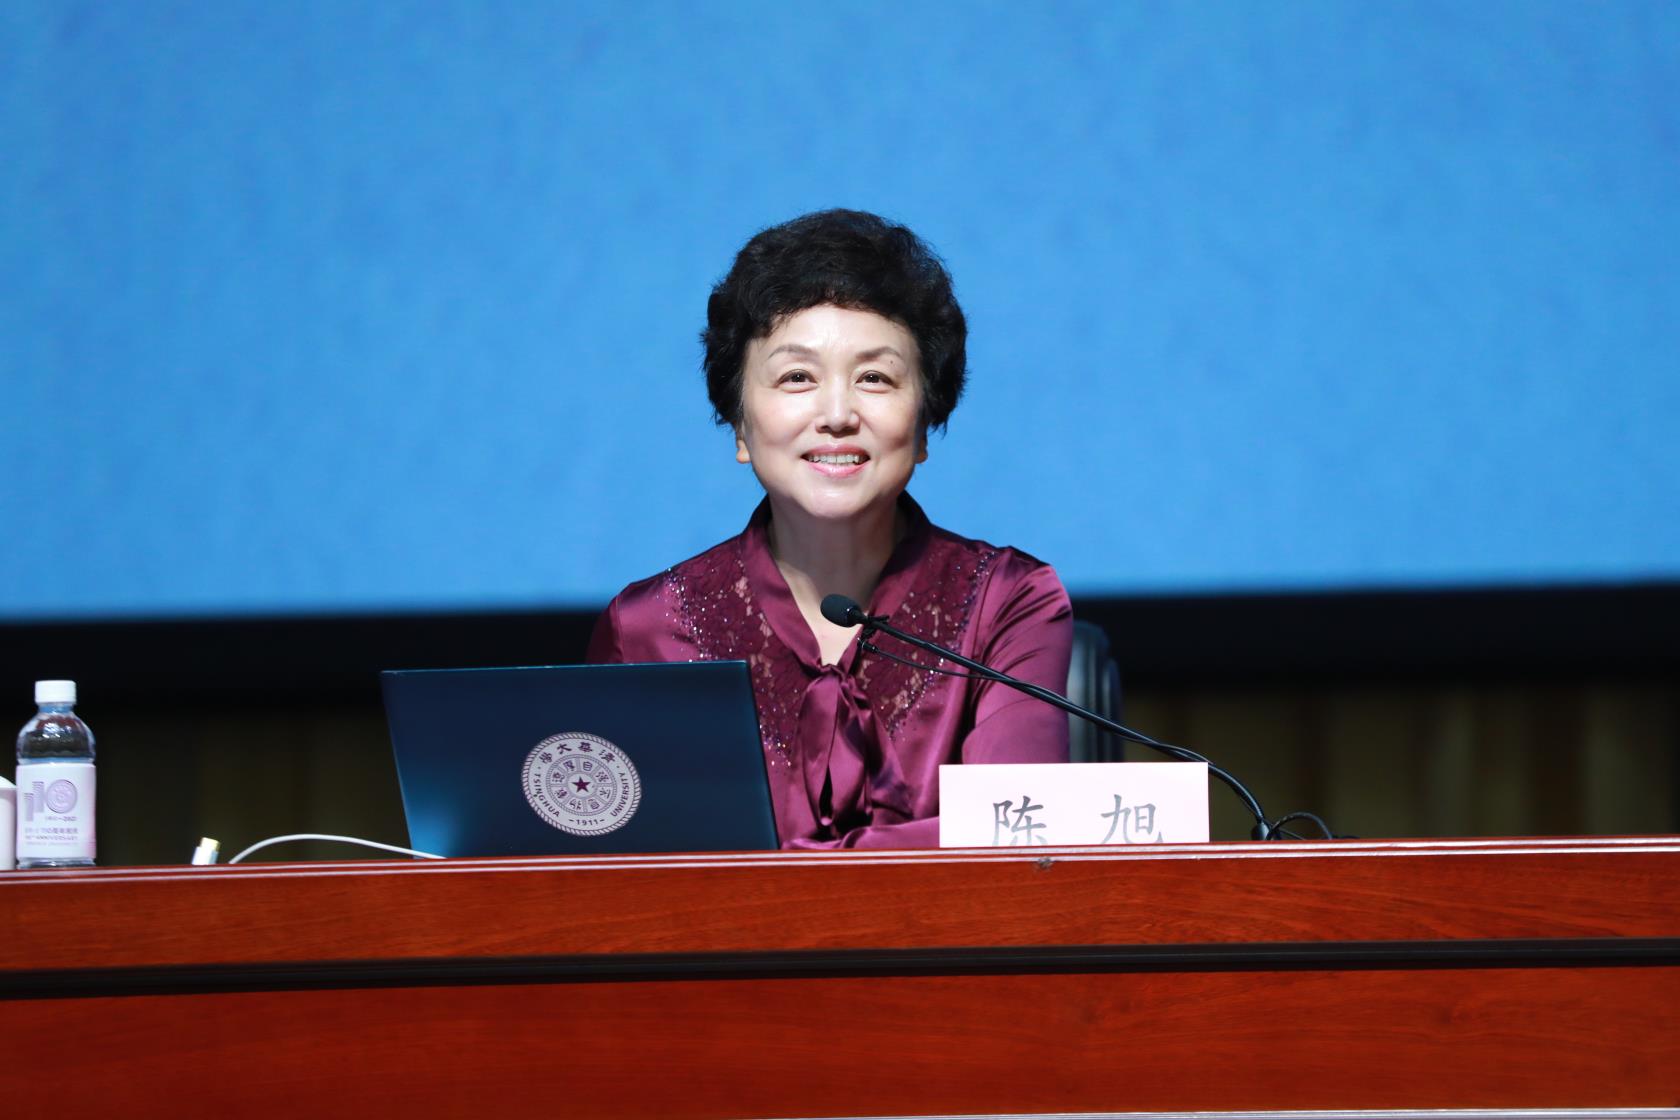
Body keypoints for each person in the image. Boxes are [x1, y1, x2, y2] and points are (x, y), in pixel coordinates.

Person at [588, 209, 1071, 849]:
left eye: (875, 378)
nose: (838, 414)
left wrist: (770, 869)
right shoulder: (648, 627)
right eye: (798, 378)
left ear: (923, 426)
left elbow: (1018, 836)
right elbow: (610, 867)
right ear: (739, 425)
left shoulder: (1007, 601)